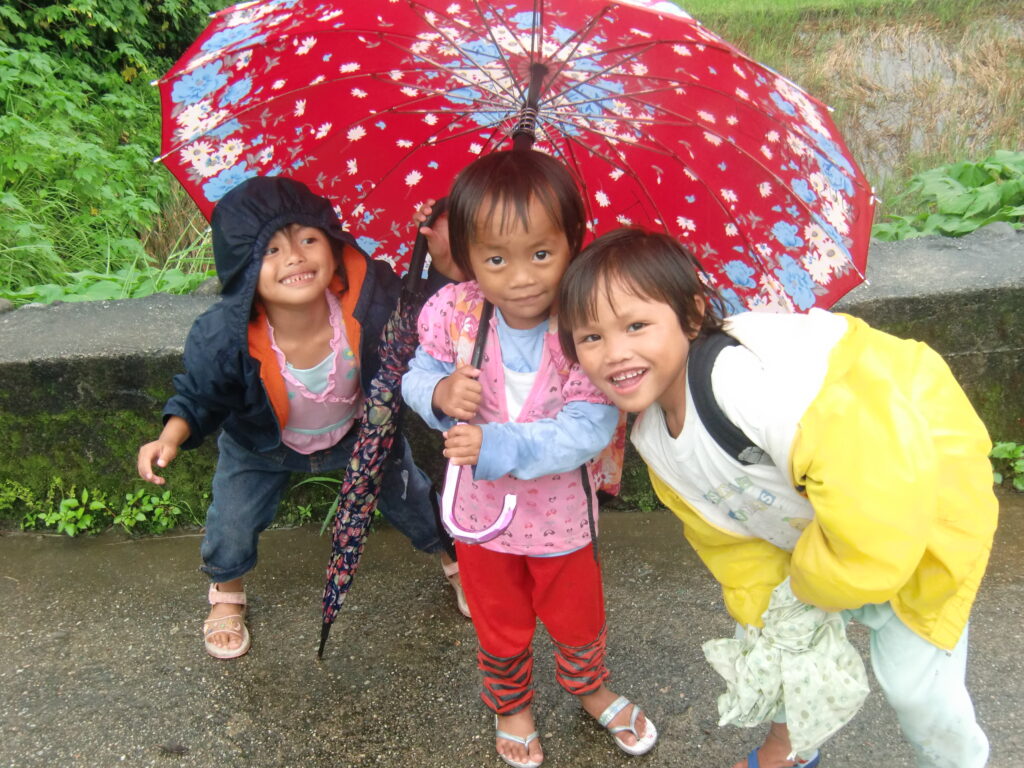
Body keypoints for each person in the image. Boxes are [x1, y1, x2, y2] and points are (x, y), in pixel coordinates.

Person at [556, 227, 999, 768]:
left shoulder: (744, 387)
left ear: (692, 317)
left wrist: (815, 582)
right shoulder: (651, 438)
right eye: (590, 337)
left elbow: (876, 494)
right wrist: (772, 607)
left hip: (922, 514)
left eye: (636, 325)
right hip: (830, 535)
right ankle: (784, 750)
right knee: (778, 638)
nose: (614, 352)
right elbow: (725, 538)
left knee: (918, 692)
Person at [137, 175, 468, 662]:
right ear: (244, 268)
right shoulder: (225, 335)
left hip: (361, 434)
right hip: (261, 446)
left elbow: (430, 314)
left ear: (334, 248)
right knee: (231, 521)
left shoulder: (370, 300)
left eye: (308, 239)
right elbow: (201, 392)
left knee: (414, 498)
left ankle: (455, 562)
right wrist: (169, 436)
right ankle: (227, 591)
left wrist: (441, 256)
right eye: (271, 250)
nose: (294, 256)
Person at [402, 151, 657, 768]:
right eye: (496, 259)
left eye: (541, 254)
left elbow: (590, 424)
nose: (521, 277)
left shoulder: (586, 321)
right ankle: (511, 705)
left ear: (573, 241)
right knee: (499, 618)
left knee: (576, 612)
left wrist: (501, 445)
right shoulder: (456, 312)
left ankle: (587, 686)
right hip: (478, 514)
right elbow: (416, 374)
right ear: (466, 257)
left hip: (561, 516)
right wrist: (437, 394)